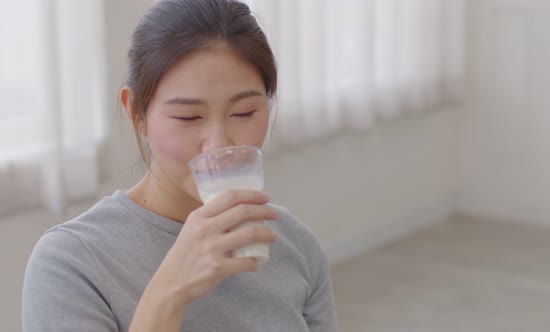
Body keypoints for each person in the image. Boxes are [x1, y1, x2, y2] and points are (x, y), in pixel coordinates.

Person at [22, 0, 338, 331]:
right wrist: (170, 293)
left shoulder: (295, 243)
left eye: (244, 112)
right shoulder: (71, 263)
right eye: (188, 117)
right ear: (136, 114)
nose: (218, 144)